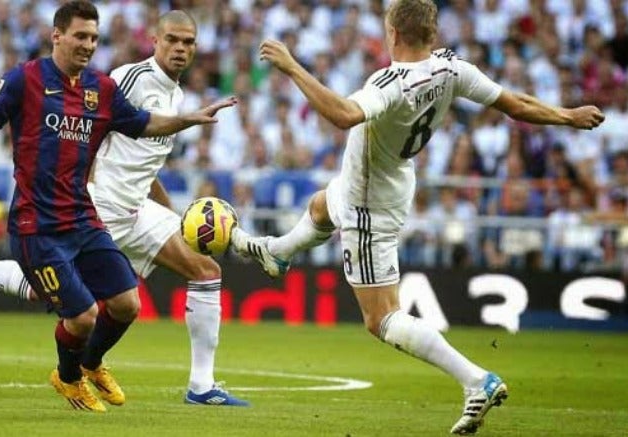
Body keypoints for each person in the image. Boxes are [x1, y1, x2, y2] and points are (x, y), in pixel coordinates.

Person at [231, 0, 605, 434]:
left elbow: (343, 115)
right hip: (380, 183)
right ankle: (277, 253)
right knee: (320, 205)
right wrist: (568, 115)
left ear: (394, 34)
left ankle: (475, 380)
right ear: (432, 35)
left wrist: (292, 67)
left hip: (368, 204)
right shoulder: (452, 67)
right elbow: (515, 104)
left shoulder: (390, 82)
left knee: (382, 319)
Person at [0, 9, 247, 407]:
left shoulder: (151, 93)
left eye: (93, 38)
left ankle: (195, 385)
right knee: (67, 303)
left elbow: (139, 141)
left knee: (186, 279)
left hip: (122, 210)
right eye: (173, 40)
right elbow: (89, 140)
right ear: (57, 36)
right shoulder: (100, 78)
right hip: (92, 204)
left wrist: (186, 126)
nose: (88, 45)